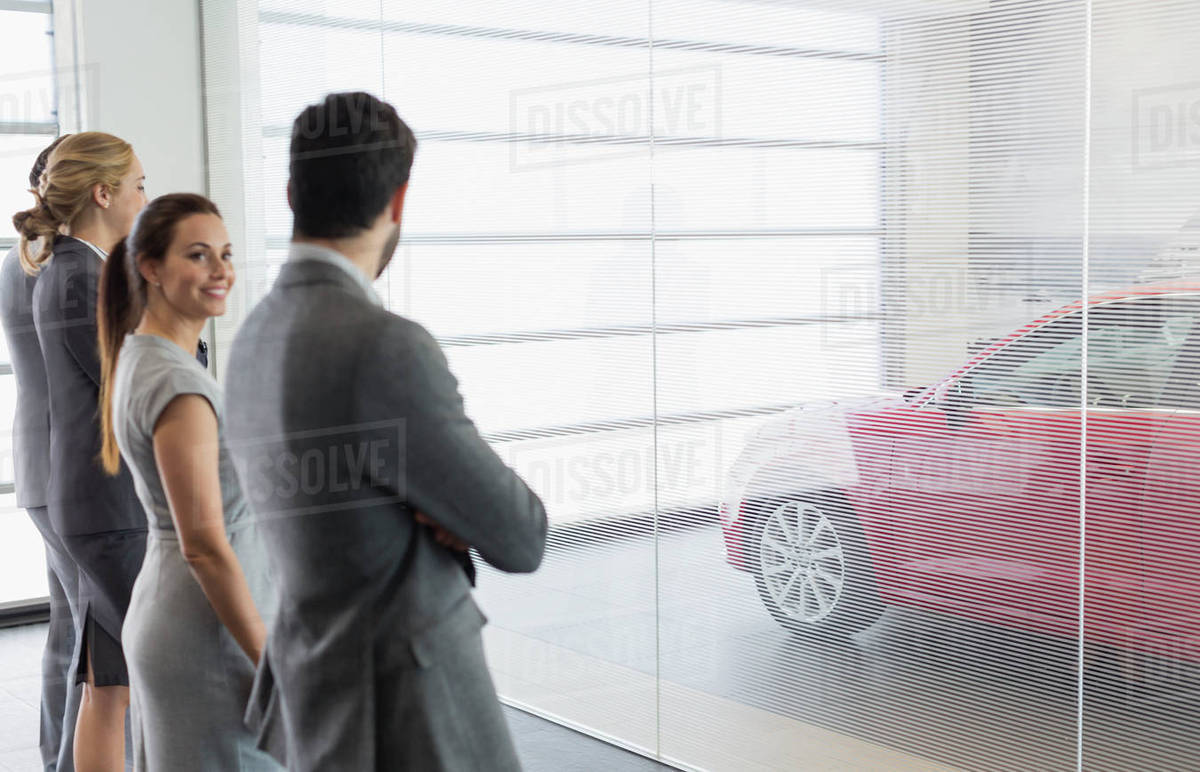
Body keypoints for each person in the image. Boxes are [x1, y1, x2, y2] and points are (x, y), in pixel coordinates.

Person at [224, 91, 548, 771]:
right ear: (397, 202)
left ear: (291, 193)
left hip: (316, 698)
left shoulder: (249, 338)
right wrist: (443, 506)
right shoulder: (384, 346)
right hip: (408, 715)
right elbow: (520, 534)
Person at [95, 192, 281, 771]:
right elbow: (203, 544)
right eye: (198, 256)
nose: (221, 270)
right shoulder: (177, 384)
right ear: (150, 267)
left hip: (180, 616)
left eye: (224, 254)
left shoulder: (143, 356)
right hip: (207, 633)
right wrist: (272, 665)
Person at [16, 131, 146, 772]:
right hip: (91, 489)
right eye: (138, 185)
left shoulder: (62, 265)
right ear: (101, 192)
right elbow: (126, 381)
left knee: (93, 660)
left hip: (74, 484)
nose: (145, 197)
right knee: (108, 660)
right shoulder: (69, 274)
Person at [4, 135, 80, 772]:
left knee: (68, 630)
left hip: (36, 463)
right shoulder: (66, 267)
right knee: (99, 638)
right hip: (72, 469)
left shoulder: (19, 259)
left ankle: (60, 759)